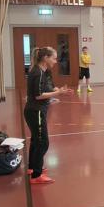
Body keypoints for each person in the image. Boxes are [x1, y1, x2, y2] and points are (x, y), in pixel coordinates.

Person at [25, 47, 72, 184]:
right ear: (46, 58)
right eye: (54, 58)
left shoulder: (41, 71)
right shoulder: (38, 73)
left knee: (36, 140)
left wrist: (60, 91)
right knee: (43, 143)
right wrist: (58, 93)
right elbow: (38, 95)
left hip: (35, 111)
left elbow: (47, 88)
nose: (56, 61)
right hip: (36, 111)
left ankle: (32, 167)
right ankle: (36, 175)